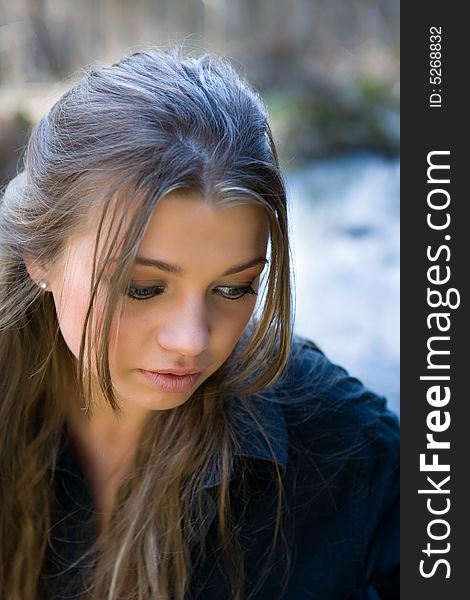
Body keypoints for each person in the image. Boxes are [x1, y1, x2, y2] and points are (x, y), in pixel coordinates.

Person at [0, 46, 399, 600]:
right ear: (40, 258)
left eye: (233, 289)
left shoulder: (335, 438)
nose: (191, 340)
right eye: (143, 287)